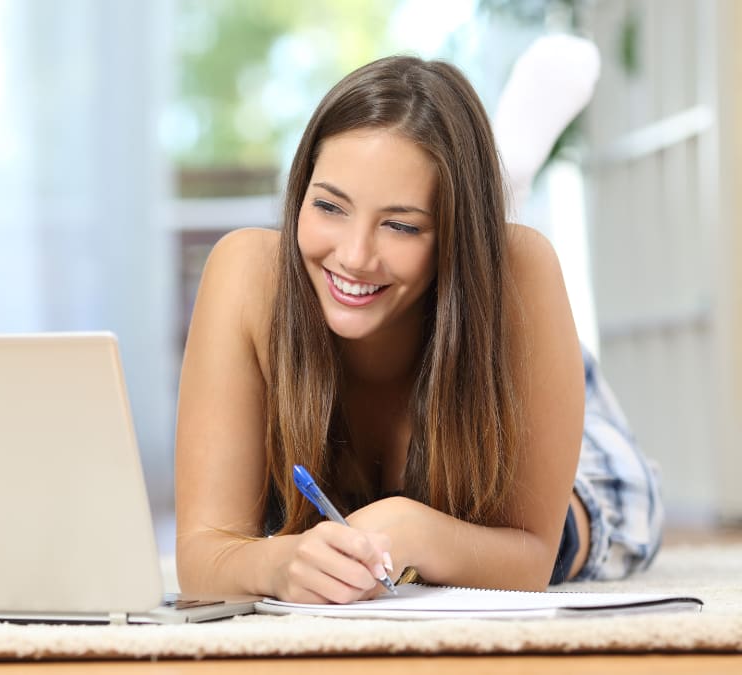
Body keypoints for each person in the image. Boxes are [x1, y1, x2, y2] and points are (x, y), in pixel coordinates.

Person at [174, 55, 662, 605]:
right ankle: (489, 193)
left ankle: (489, 214)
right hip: (447, 299)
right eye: (330, 206)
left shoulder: (524, 275)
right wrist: (279, 563)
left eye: (402, 224)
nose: (354, 257)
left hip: (491, 340)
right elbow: (201, 559)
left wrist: (420, 530)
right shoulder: (247, 274)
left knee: (614, 511)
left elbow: (534, 554)